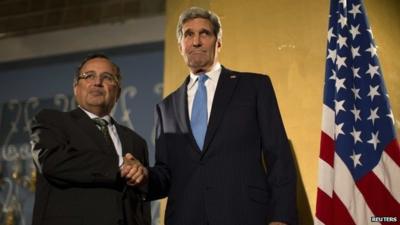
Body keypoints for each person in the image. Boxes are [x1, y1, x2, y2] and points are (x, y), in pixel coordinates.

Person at [125, 6, 298, 225]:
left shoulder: (254, 87)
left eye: (204, 33)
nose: (196, 41)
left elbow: (278, 156)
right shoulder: (166, 107)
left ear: (218, 42)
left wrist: (281, 217)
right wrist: (144, 175)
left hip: (245, 214)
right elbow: (166, 173)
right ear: (181, 46)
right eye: (189, 34)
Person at [30, 54, 151, 225]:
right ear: (76, 87)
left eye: (107, 77)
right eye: (89, 76)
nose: (97, 82)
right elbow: (52, 162)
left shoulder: (136, 142)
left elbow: (140, 204)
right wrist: (119, 164)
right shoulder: (52, 121)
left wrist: (143, 176)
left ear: (117, 92)